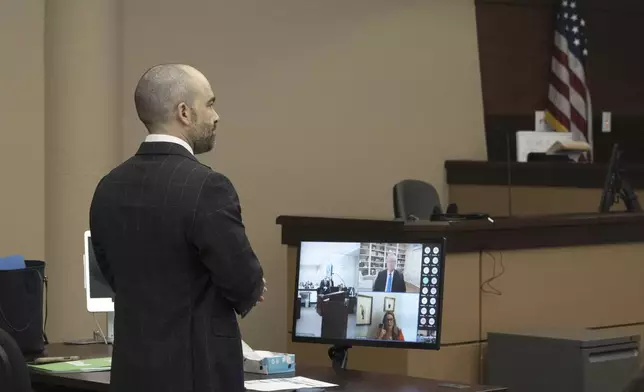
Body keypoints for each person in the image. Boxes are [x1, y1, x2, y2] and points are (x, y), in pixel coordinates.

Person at [89, 64, 265, 392]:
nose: (216, 116)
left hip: (130, 371)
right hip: (197, 374)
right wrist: (251, 287)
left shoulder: (108, 186)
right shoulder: (209, 186)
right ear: (184, 112)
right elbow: (244, 281)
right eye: (210, 104)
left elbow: (110, 272)